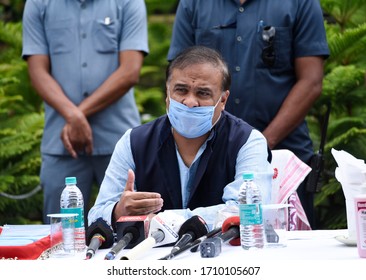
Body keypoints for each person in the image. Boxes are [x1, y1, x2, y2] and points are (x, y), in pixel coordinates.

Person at [167, 0, 330, 228]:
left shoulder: (300, 3)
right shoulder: (193, 4)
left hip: (283, 150)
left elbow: (311, 81)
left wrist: (260, 144)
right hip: (210, 153)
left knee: (290, 247)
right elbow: (179, 79)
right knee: (207, 237)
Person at [88, 46, 273, 229]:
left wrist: (162, 221)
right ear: (167, 93)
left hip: (224, 254)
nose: (190, 102)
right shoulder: (135, 141)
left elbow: (249, 212)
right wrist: (118, 211)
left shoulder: (247, 141)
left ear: (223, 100)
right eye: (181, 90)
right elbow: (96, 216)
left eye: (203, 93)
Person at [21, 0, 149, 224]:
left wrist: (77, 115)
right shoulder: (38, 3)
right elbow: (37, 71)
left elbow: (130, 71)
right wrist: (73, 116)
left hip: (118, 144)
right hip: (62, 146)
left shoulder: (129, 2)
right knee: (61, 235)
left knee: (129, 228)